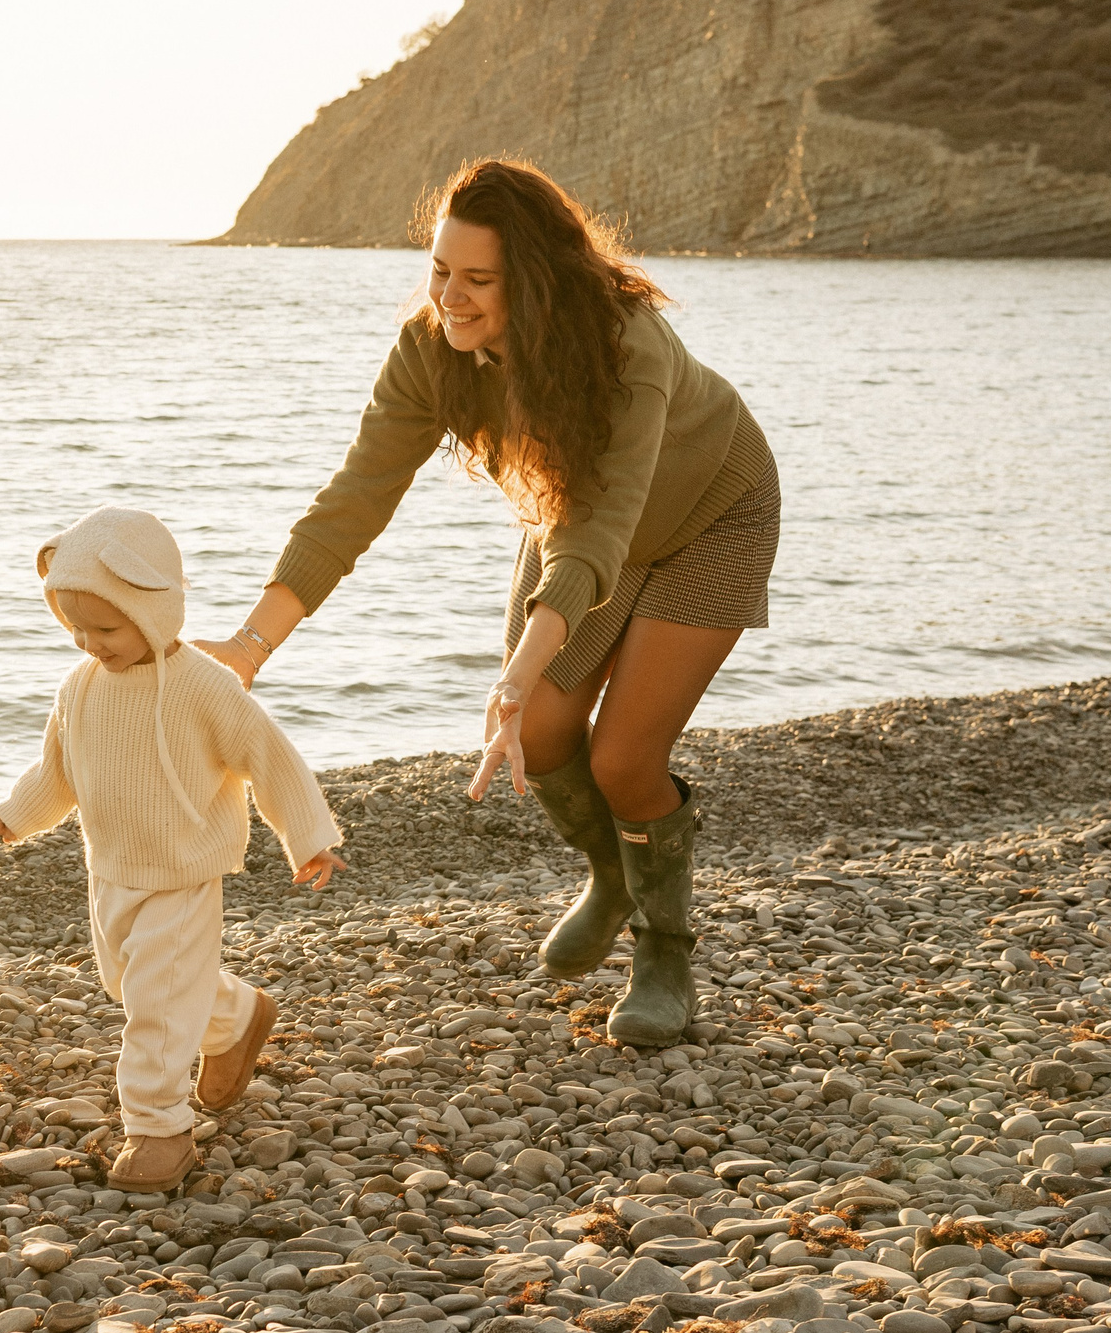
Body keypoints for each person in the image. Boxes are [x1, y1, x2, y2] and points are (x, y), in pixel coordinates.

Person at [198, 157, 779, 1047]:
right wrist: (249, 646)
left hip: (711, 514)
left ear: (535, 281)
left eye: (478, 279)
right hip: (581, 525)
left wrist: (516, 668)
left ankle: (666, 952)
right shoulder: (431, 353)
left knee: (625, 761)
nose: (450, 298)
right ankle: (613, 872)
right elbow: (354, 500)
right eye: (439, 271)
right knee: (543, 730)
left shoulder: (629, 344)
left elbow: (600, 531)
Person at [0, 505, 348, 1193]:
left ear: (154, 608)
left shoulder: (202, 686)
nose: (89, 642)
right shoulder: (80, 689)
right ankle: (239, 1017)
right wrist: (17, 812)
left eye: (106, 626)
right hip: (112, 871)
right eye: (75, 628)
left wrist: (309, 836)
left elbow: (267, 755)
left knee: (155, 1001)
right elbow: (58, 770)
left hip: (184, 870)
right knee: (130, 984)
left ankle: (159, 1129)